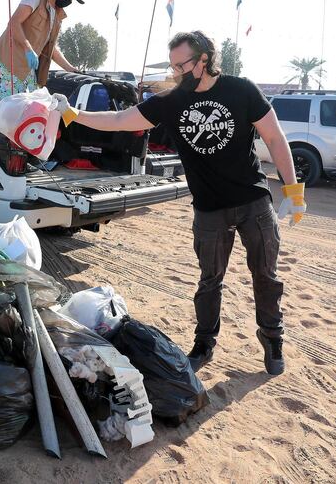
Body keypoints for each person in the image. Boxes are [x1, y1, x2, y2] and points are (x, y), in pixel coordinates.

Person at [54, 31, 307, 376]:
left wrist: (293, 191)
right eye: (173, 66)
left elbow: (275, 138)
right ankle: (204, 344)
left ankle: (272, 338)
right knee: (209, 280)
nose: (176, 73)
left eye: (181, 65)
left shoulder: (241, 89)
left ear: (204, 59)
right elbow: (119, 120)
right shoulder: (172, 100)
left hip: (252, 200)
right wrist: (73, 114)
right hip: (209, 207)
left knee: (265, 275)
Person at [0, 0, 83, 97]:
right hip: (10, 64)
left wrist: (70, 68)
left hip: (28, 70)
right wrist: (28, 48)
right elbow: (14, 23)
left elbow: (51, 48)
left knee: (31, 111)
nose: (70, 1)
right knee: (12, 110)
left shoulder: (56, 13)